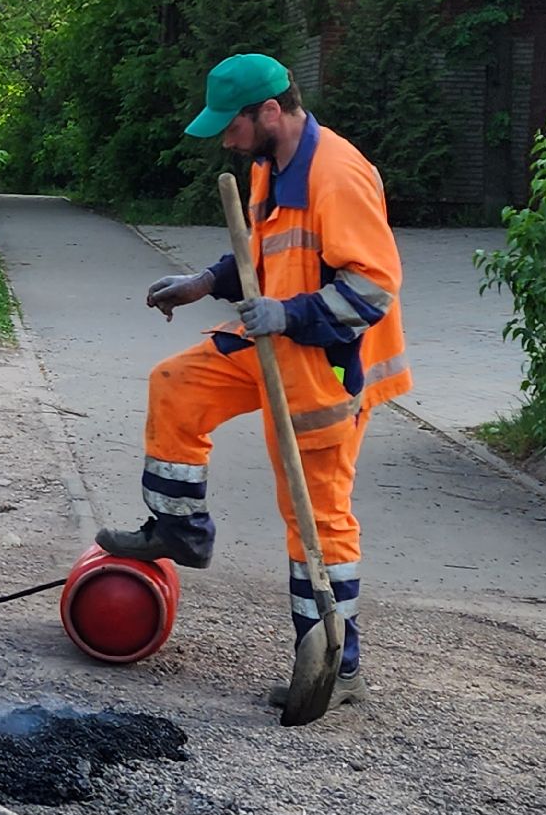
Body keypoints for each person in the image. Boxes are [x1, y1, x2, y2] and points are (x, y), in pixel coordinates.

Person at [96, 53, 412, 711]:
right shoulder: (270, 166)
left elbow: (373, 289)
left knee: (315, 519)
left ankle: (335, 661)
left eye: (232, 126)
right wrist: (205, 283)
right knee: (177, 382)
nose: (226, 140)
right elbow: (261, 254)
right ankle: (181, 528)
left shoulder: (338, 174)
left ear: (270, 112)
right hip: (267, 345)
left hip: (326, 369)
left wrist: (291, 314)